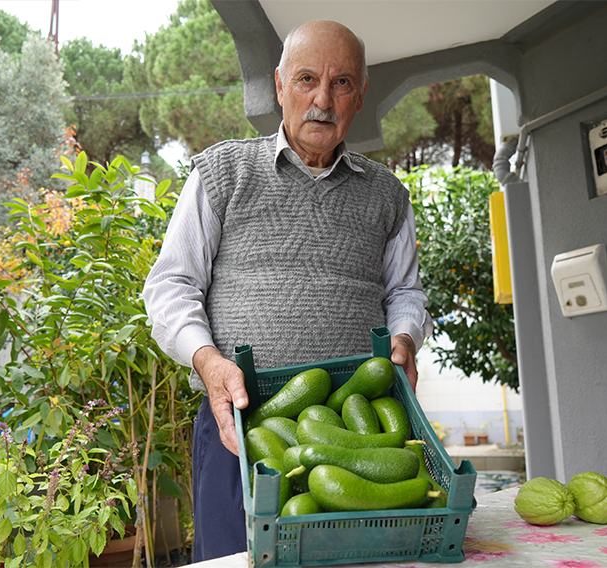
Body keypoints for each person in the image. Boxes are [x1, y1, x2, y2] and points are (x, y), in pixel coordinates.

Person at [142, 20, 433, 561]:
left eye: (342, 83)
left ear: (360, 95)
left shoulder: (387, 195)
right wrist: (207, 362)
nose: (322, 99)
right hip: (240, 425)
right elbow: (171, 285)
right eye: (305, 80)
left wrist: (406, 338)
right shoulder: (223, 172)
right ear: (279, 86)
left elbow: (405, 294)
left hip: (358, 431)